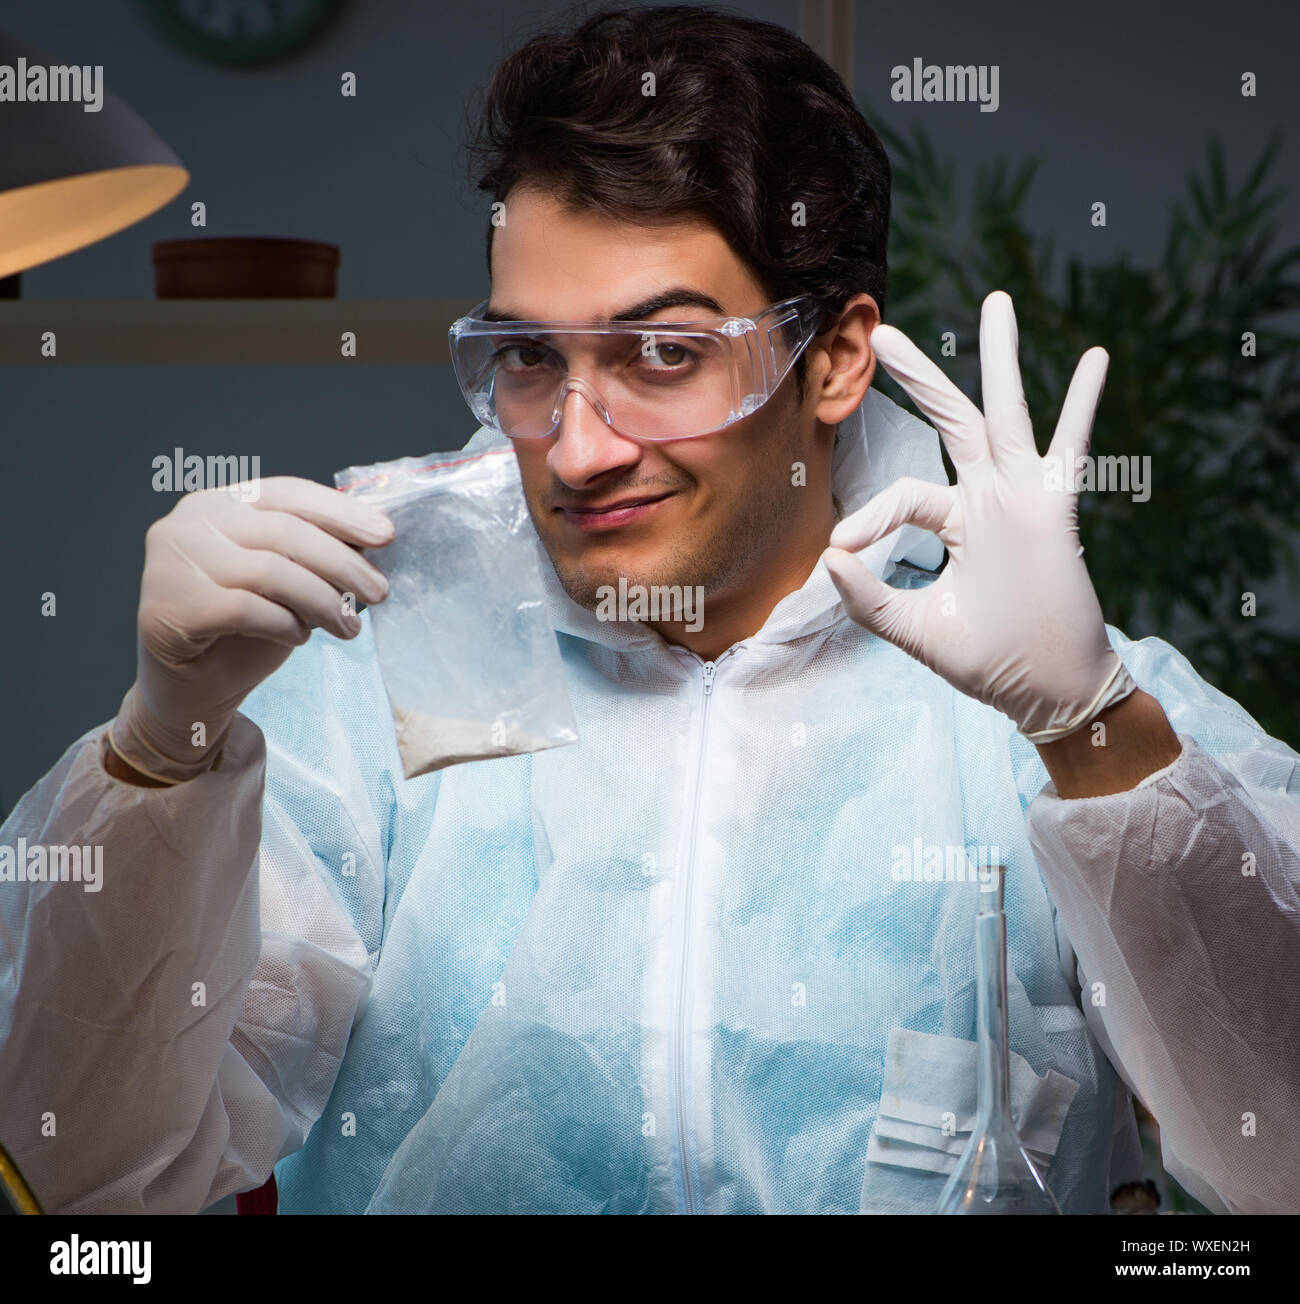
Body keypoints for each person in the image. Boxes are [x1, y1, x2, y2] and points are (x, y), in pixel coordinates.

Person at [2, 4, 1298, 1216]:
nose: (577, 449)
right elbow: (91, 1174)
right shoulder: (371, 668)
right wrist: (161, 746)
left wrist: (1090, 731)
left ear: (835, 354)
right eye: (529, 358)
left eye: (664, 354)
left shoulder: (1050, 687)